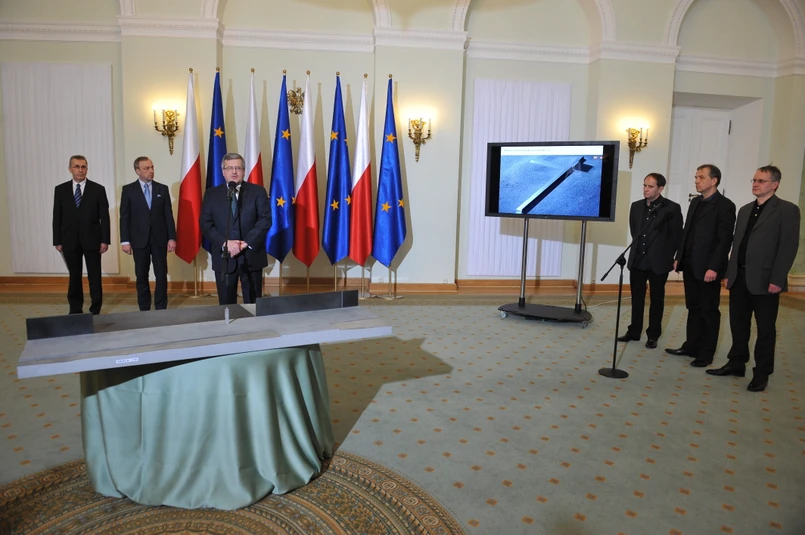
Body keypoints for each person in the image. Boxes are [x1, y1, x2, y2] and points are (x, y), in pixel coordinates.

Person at [706, 165, 800, 392]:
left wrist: (777, 279)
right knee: (738, 324)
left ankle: (762, 373)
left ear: (775, 184)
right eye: (754, 180)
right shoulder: (745, 209)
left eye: (761, 181)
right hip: (740, 277)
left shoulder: (787, 210)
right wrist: (729, 273)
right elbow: (737, 245)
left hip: (766, 280)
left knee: (765, 328)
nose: (756, 184)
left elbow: (788, 247)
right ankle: (736, 363)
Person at [665, 164, 736, 367]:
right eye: (696, 177)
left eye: (701, 177)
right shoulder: (695, 201)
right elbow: (687, 231)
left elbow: (724, 240)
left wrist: (714, 267)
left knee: (708, 310)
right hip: (690, 263)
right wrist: (679, 256)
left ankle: (706, 353)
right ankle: (691, 346)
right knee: (693, 307)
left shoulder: (725, 206)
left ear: (714, 181)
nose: (696, 180)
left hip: (708, 267)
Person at [618, 173, 683, 348]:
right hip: (637, 260)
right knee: (637, 298)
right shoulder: (636, 206)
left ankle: (653, 335)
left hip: (659, 261)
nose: (646, 189)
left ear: (660, 188)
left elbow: (677, 236)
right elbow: (635, 231)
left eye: (650, 186)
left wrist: (676, 257)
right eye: (644, 185)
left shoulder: (671, 208)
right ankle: (634, 331)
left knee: (657, 299)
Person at [200, 153, 271, 305]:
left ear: (244, 171)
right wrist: (226, 243)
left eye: (238, 168)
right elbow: (205, 224)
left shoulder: (257, 192)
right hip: (224, 258)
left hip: (251, 256)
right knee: (226, 305)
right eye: (229, 168)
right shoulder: (212, 194)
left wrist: (245, 243)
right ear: (223, 171)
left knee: (253, 304)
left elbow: (265, 220)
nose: (234, 172)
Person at [52, 155, 111, 315]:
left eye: (83, 167)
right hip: (69, 240)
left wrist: (105, 240)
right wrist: (57, 241)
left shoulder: (98, 189)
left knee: (94, 276)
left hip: (93, 240)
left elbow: (104, 217)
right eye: (76, 166)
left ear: (87, 169)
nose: (80, 170)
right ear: (70, 169)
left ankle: (95, 309)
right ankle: (75, 309)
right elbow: (57, 217)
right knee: (74, 276)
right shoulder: (60, 190)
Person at [120, 157, 177, 311]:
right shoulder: (128, 190)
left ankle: (161, 307)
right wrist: (125, 241)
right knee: (141, 276)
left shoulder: (162, 189)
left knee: (161, 274)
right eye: (146, 168)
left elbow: (168, 215)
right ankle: (144, 308)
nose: (151, 171)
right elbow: (124, 217)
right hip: (139, 240)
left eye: (152, 167)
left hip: (159, 239)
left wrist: (172, 238)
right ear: (137, 171)